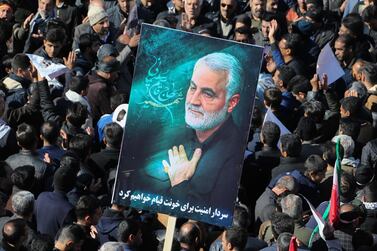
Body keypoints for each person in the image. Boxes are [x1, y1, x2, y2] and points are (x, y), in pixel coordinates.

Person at [160, 52, 245, 210]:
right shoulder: (170, 136)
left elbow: (213, 215)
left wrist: (179, 186)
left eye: (207, 94)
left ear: (232, 103)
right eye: (193, 88)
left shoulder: (235, 157)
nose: (193, 101)